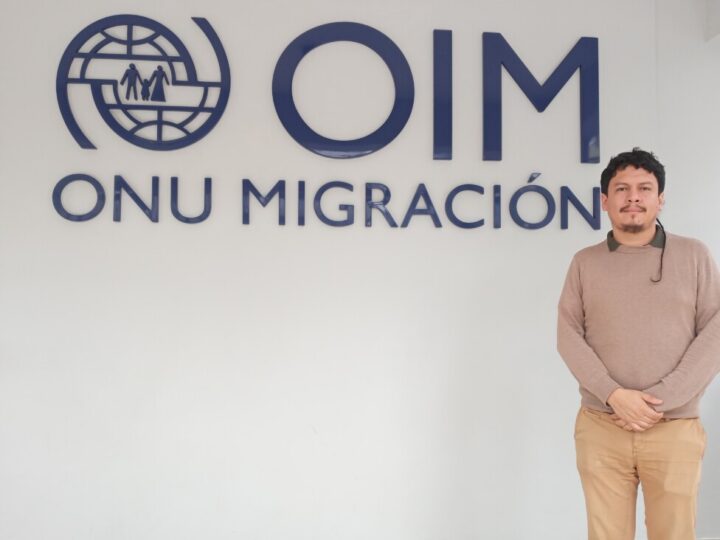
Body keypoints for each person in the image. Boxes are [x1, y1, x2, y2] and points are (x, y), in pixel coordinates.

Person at [557, 148, 720, 540]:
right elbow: (568, 335)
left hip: (675, 427)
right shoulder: (585, 262)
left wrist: (658, 400)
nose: (633, 197)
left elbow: (715, 331)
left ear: (660, 198)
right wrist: (615, 395)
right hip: (602, 425)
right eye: (622, 189)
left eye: (644, 188)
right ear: (604, 201)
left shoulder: (693, 255)